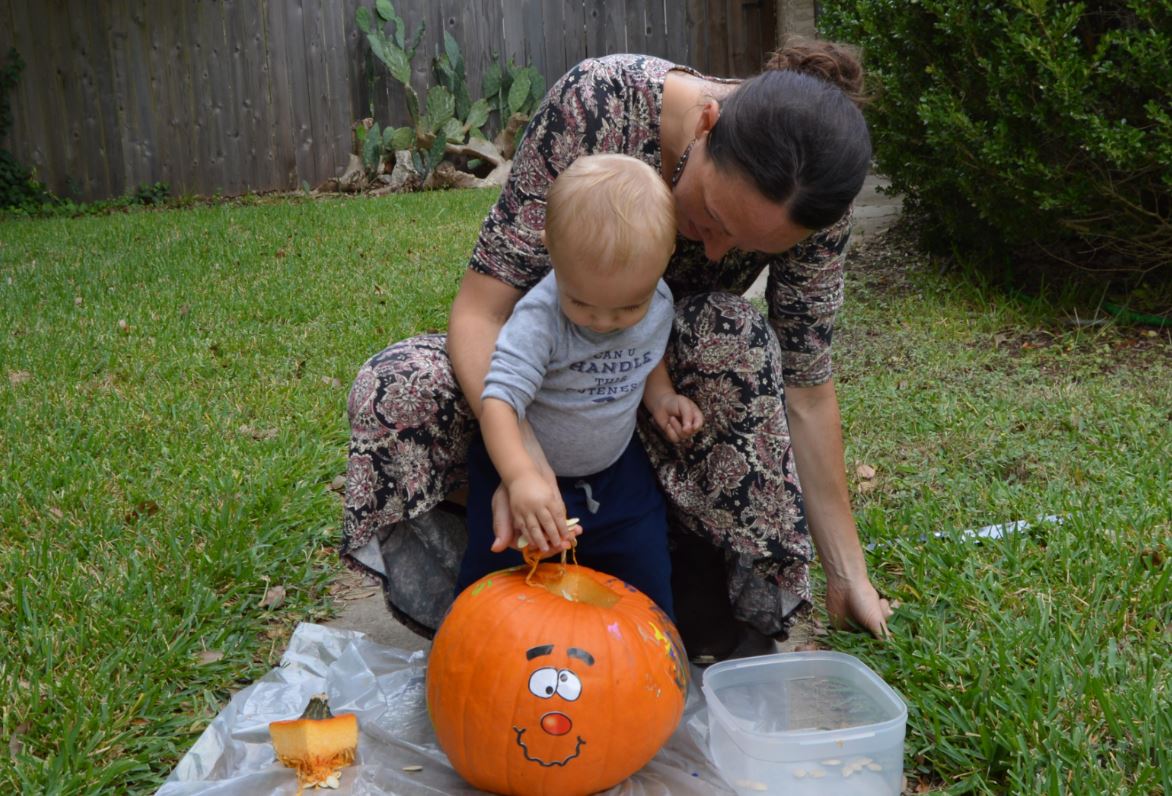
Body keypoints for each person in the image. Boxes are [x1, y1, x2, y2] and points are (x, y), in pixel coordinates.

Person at [342, 38, 894, 661]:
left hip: (650, 380)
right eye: (713, 216)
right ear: (707, 124)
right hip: (539, 372)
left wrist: (848, 576)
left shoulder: (818, 199)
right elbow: (480, 312)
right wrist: (520, 461)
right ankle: (487, 586)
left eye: (750, 247)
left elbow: (807, 388)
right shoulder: (599, 103)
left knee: (733, 331)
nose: (715, 255)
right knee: (397, 385)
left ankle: (691, 568)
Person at [456, 154, 703, 618]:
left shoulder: (656, 300)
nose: (605, 322)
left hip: (616, 475)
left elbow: (646, 355)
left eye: (628, 308)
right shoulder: (540, 318)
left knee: (646, 574)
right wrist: (519, 475)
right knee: (499, 580)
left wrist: (663, 396)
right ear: (551, 251)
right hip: (526, 477)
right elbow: (499, 402)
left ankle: (647, 660)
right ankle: (481, 650)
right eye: (583, 303)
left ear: (666, 257)